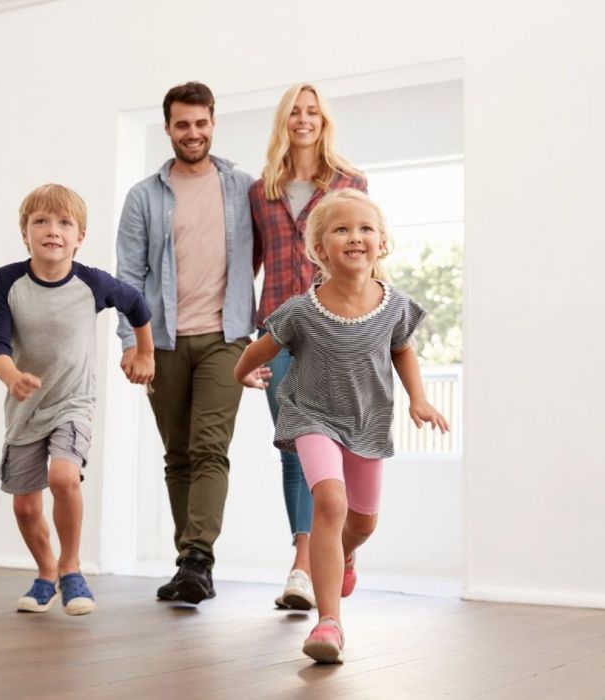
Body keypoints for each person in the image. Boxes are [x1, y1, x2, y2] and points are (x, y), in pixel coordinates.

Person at [234, 189, 449, 663]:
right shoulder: (301, 309)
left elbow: (402, 350)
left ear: (383, 243)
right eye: (342, 229)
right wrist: (242, 373)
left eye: (365, 229)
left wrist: (419, 398)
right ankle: (329, 623)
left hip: (368, 422)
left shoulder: (395, 306)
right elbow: (260, 348)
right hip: (311, 415)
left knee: (364, 522)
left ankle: (346, 555)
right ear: (320, 248)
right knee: (329, 502)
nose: (355, 237)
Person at [115, 82, 263, 605]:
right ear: (168, 129)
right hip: (163, 341)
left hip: (226, 338)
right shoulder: (143, 196)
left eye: (201, 123)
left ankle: (199, 557)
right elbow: (129, 277)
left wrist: (251, 317)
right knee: (177, 454)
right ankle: (188, 565)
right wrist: (135, 346)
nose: (193, 133)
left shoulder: (244, 187)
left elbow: (263, 252)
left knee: (208, 448)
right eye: (183, 125)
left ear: (213, 123)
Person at [0, 183, 154, 615]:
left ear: (80, 236)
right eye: (40, 221)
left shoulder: (92, 282)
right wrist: (11, 376)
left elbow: (137, 305)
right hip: (25, 406)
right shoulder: (8, 280)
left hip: (74, 402)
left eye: (64, 223)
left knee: (63, 478)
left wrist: (143, 351)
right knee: (24, 506)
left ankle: (72, 567)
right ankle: (46, 573)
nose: (52, 230)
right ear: (25, 233)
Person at [248, 84, 368, 610]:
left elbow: (366, 250)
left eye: (312, 111)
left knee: (334, 445)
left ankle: (332, 551)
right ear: (283, 121)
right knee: (293, 447)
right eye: (294, 112)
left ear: (324, 120)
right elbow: (250, 265)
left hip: (337, 328)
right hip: (278, 331)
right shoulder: (262, 190)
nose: (303, 120)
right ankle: (301, 563)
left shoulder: (350, 181)